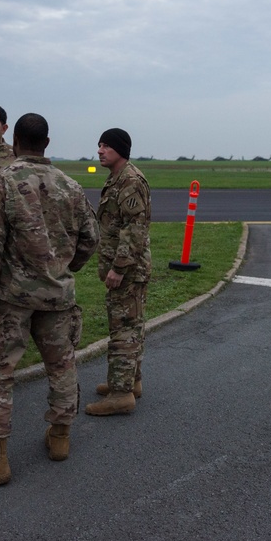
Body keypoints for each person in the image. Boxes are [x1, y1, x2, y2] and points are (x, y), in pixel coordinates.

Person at [0, 113, 99, 485]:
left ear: (15, 141)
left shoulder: (2, 180)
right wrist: (64, 267)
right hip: (57, 297)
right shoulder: (70, 185)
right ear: (46, 144)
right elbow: (91, 238)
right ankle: (59, 438)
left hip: (11, 300)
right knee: (62, 366)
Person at [85, 128, 152, 417]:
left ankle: (121, 394)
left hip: (126, 271)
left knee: (123, 329)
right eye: (99, 145)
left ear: (120, 149)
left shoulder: (130, 181)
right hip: (126, 269)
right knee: (131, 325)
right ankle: (130, 382)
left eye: (106, 146)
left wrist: (118, 269)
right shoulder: (117, 178)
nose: (100, 150)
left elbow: (134, 230)